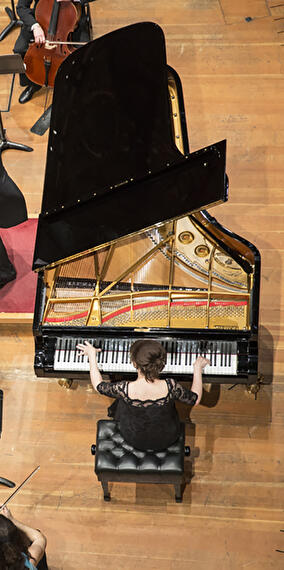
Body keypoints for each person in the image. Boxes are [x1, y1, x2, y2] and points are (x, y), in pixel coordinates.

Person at [77, 338, 209, 451]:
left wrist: (92, 355)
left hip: (132, 438)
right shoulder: (171, 386)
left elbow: (98, 385)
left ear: (135, 364)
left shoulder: (124, 388)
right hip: (166, 437)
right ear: (161, 365)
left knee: (121, 403)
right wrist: (197, 368)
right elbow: (195, 399)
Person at [13, 0, 96, 104]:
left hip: (71, 19)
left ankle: (74, 87)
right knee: (20, 49)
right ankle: (33, 83)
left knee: (84, 53)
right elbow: (21, 7)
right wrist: (35, 26)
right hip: (42, 18)